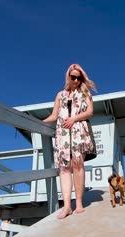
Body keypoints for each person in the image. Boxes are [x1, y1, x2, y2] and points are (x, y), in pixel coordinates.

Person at [43, 64, 96, 219]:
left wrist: (74, 118)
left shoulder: (85, 91)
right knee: (64, 169)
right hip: (62, 134)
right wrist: (38, 122)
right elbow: (54, 116)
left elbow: (90, 112)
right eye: (73, 77)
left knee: (77, 165)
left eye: (79, 77)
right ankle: (67, 206)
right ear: (68, 76)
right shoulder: (60, 95)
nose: (76, 80)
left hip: (79, 131)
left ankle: (78, 202)